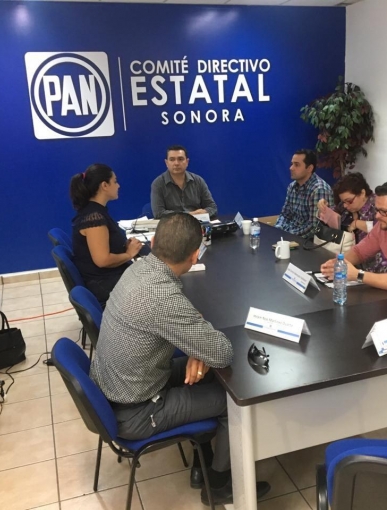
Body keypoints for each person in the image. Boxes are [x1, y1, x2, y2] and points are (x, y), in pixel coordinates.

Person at [90, 213, 270, 505]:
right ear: (195, 255)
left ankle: (203, 461)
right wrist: (201, 347)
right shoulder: (162, 297)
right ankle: (219, 484)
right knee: (234, 402)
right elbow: (222, 352)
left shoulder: (139, 269)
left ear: (153, 242)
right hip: (136, 411)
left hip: (121, 387)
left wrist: (196, 348)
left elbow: (191, 325)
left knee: (209, 374)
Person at [70, 163, 143, 305]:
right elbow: (102, 260)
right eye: (115, 181)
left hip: (107, 277)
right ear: (104, 185)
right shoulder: (94, 218)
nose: (118, 185)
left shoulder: (95, 211)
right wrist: (129, 254)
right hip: (103, 284)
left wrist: (123, 247)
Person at [317, 172, 387, 273]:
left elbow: (384, 228)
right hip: (350, 261)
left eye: (349, 201)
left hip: (375, 267)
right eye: (344, 202)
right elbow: (333, 215)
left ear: (362, 193)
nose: (345, 205)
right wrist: (324, 209)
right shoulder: (346, 205)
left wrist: (357, 223)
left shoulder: (377, 205)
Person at [275, 149, 333, 239]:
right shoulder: (292, 187)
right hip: (289, 235)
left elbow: (314, 227)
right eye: (292, 164)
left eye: (296, 165)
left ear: (309, 168)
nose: (291, 168)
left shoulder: (319, 189)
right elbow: (285, 214)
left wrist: (288, 235)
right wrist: (277, 230)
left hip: (307, 241)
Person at [151, 145, 218, 219]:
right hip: (172, 225)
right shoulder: (158, 184)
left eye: (180, 159)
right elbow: (159, 213)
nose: (176, 163)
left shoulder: (198, 181)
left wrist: (205, 212)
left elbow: (212, 207)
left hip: (197, 223)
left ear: (187, 162)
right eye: (172, 159)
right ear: (166, 163)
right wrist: (189, 215)